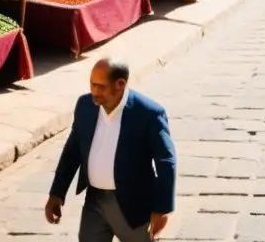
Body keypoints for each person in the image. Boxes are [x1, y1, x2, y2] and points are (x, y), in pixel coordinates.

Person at [46, 59, 176, 242]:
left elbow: (166, 161)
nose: (94, 92)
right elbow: (72, 151)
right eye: (92, 85)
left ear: (120, 85)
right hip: (95, 203)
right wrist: (57, 193)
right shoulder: (85, 106)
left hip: (134, 206)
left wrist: (162, 208)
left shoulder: (148, 113)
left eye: (100, 86)